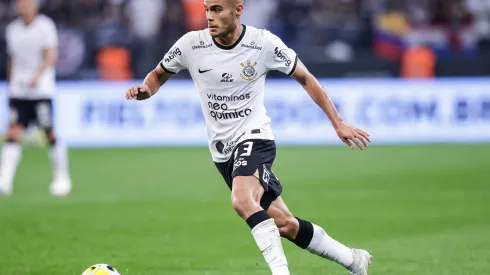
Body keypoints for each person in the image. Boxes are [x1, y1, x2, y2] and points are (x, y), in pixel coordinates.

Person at [125, 0, 372, 274]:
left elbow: (305, 77)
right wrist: (145, 90)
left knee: (242, 201)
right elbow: (158, 75)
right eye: (207, 9)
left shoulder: (262, 43)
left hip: (255, 137)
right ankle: (353, 259)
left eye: (217, 9)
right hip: (223, 153)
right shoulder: (190, 45)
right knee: (285, 224)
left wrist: (338, 123)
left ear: (237, 10)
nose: (209, 16)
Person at [0, 0, 72, 196]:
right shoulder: (13, 29)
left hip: (40, 90)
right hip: (19, 91)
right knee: (13, 133)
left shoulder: (45, 27)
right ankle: (4, 180)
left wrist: (37, 76)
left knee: (49, 132)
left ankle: (62, 177)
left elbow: (50, 56)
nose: (24, 6)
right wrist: (10, 87)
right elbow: (12, 60)